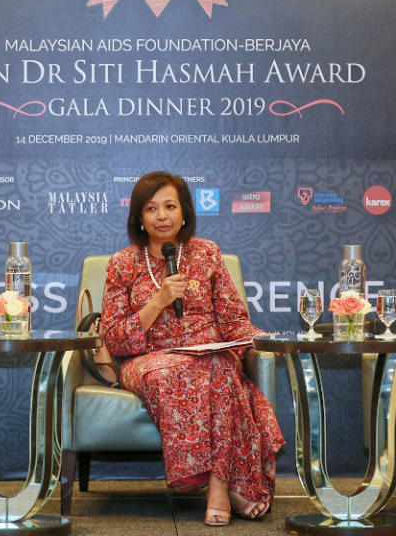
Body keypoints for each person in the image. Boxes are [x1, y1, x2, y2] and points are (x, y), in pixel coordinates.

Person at [100, 171, 284, 527]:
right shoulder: (122, 263)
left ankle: (218, 486)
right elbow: (115, 339)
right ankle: (233, 486)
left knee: (217, 365)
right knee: (208, 371)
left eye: (170, 206)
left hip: (210, 353)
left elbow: (233, 319)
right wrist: (158, 301)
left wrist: (261, 340)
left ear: (184, 212)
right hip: (149, 360)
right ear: (139, 216)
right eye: (152, 208)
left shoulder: (207, 254)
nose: (162, 216)